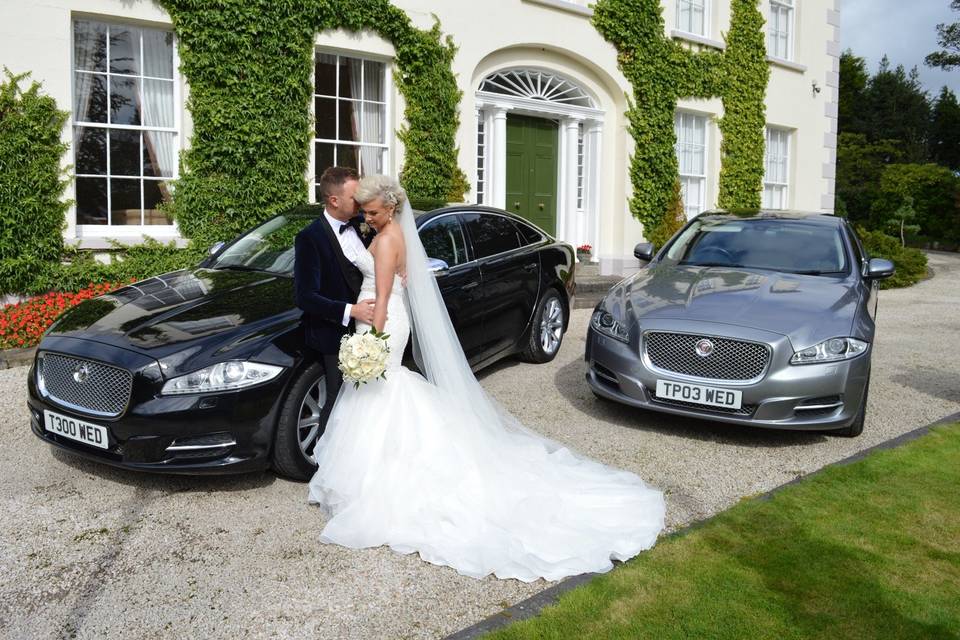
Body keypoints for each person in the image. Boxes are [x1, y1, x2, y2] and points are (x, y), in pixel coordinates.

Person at [307, 175, 665, 582]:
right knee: (383, 392)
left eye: (372, 212)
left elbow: (385, 292)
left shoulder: (388, 240)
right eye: (365, 213)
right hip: (380, 316)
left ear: (390, 209)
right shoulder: (386, 233)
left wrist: (373, 332)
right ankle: (371, 480)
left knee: (384, 390)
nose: (367, 219)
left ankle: (378, 486)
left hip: (382, 320)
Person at [291, 167, 377, 471]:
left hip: (370, 329)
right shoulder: (310, 239)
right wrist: (350, 311)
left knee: (368, 401)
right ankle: (326, 470)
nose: (362, 202)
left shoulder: (364, 225)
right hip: (333, 335)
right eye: (355, 197)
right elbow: (305, 296)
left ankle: (361, 463)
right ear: (333, 200)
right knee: (339, 400)